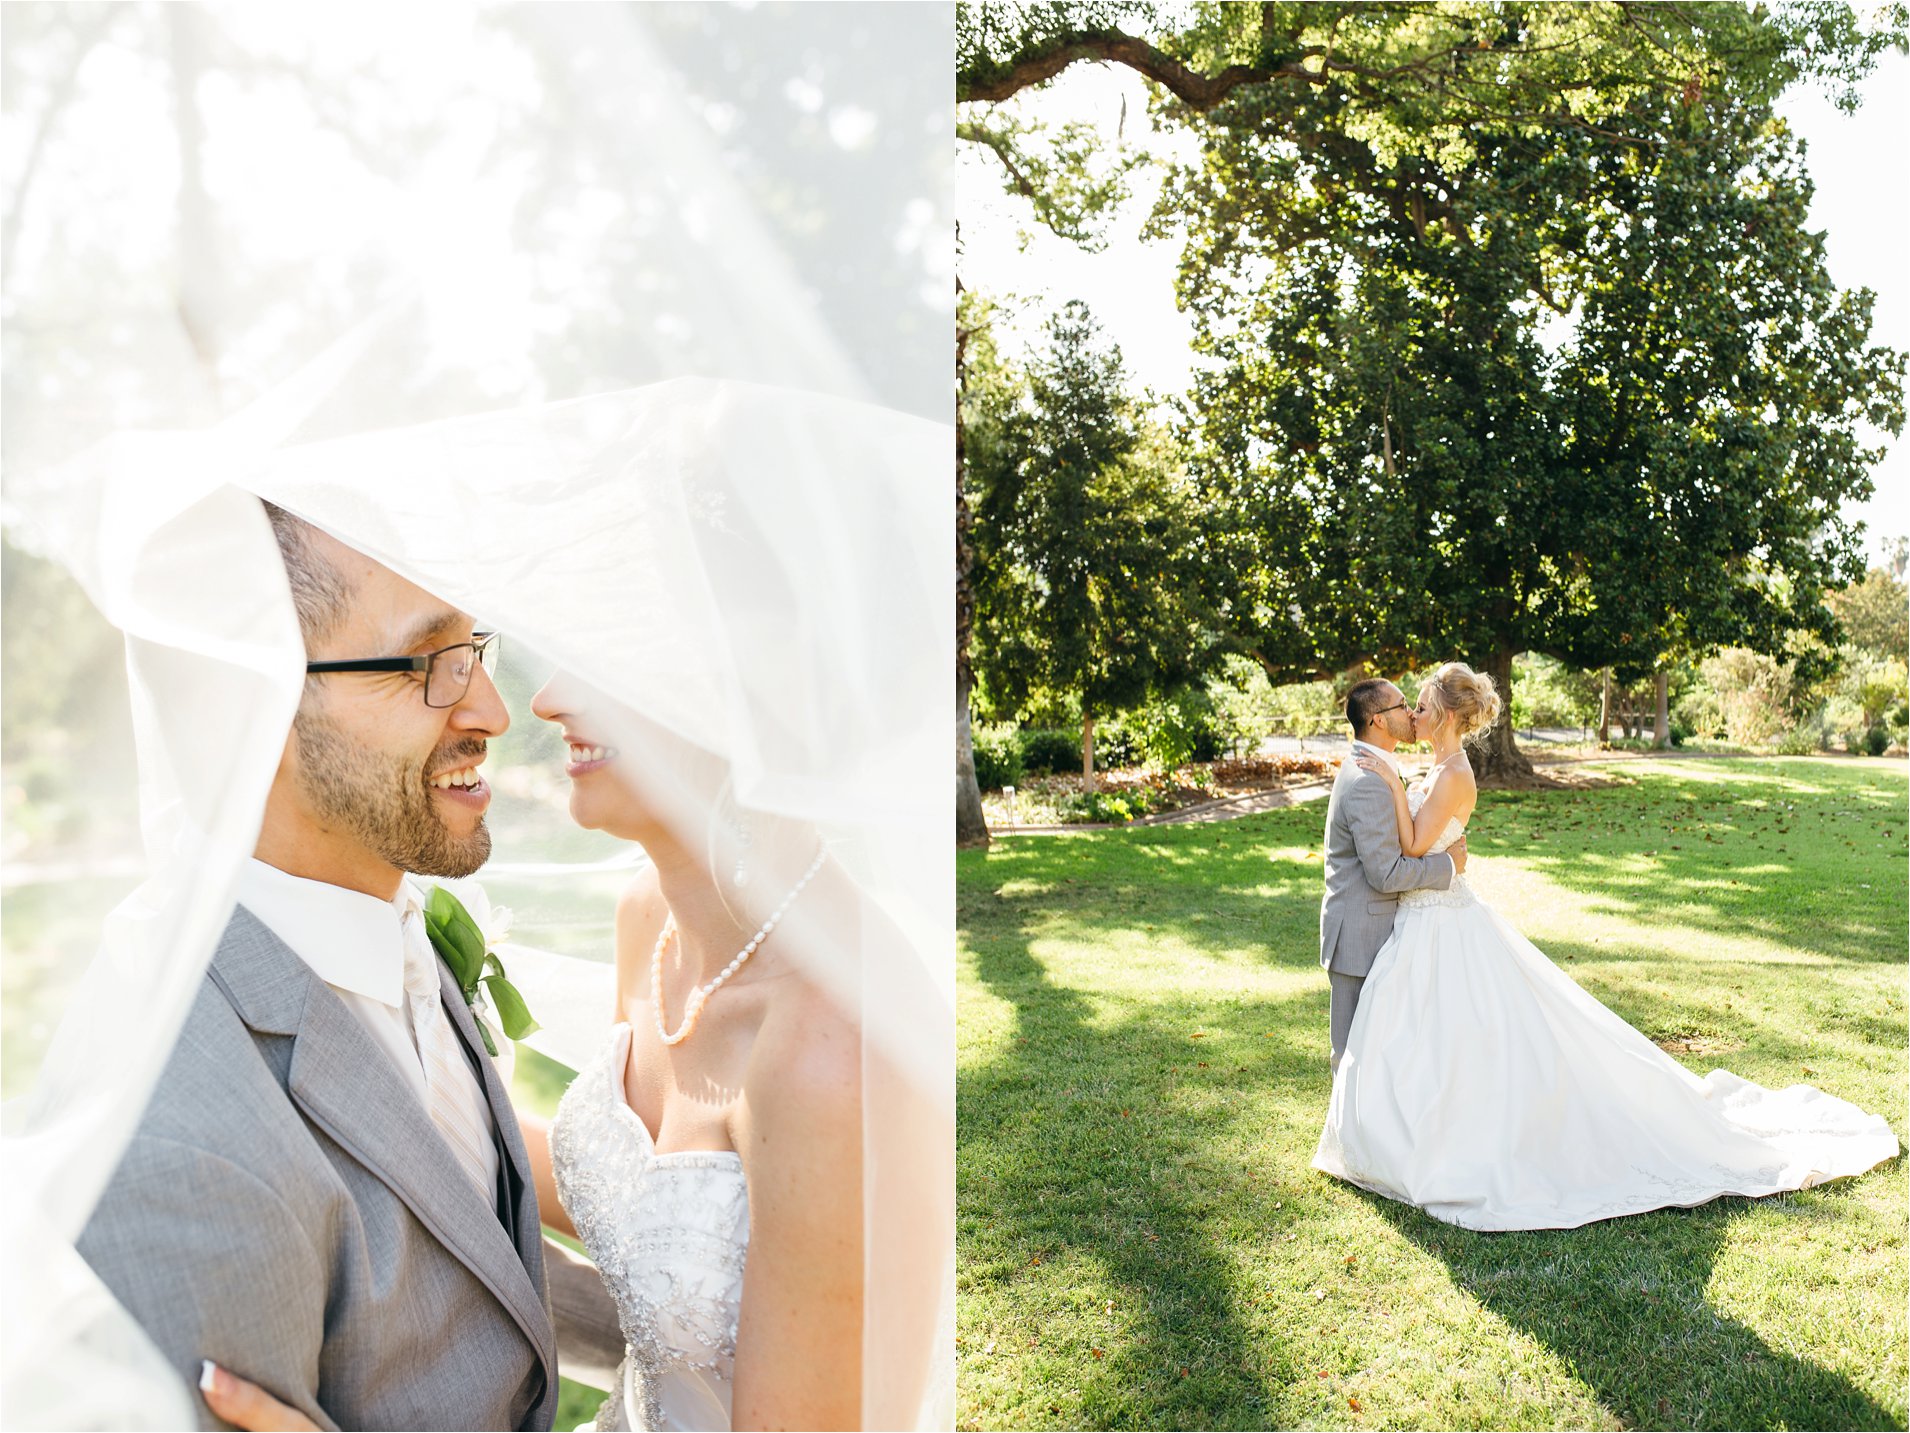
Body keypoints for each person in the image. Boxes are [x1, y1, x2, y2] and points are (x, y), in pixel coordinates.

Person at [77, 505, 558, 1430]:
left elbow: (480, 1285)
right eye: (426, 665)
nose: (490, 710)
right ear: (248, 703)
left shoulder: (385, 915)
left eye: (475, 648)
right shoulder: (178, 1145)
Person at [1313, 662, 1899, 1230]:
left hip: (1443, 923)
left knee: (1476, 1038)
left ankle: (1462, 1143)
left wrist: (1408, 806)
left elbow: (1412, 847)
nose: (1412, 713)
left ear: (1440, 713)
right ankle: (1409, 1137)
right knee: (1425, 1039)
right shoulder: (1411, 771)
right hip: (1419, 924)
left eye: (1418, 704)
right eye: (1405, 706)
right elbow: (1410, 851)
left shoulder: (1452, 774)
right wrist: (1404, 795)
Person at [1317, 677, 1467, 1073]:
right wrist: (1448, 866)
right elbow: (1385, 874)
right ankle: (1345, 1134)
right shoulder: (1367, 780)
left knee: (1381, 1052)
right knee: (1351, 1055)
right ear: (1378, 721)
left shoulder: (1377, 769)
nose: (1412, 713)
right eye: (1402, 705)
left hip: (1384, 932)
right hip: (1358, 939)